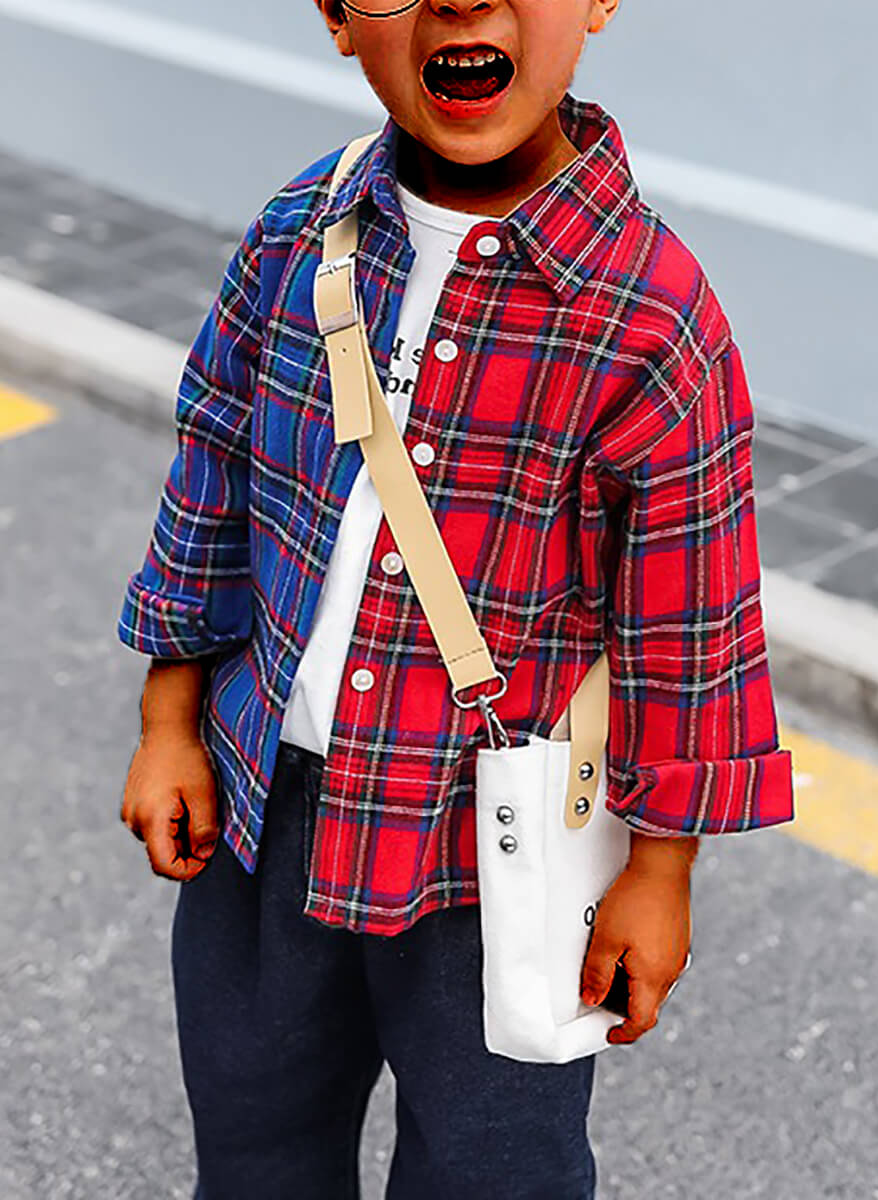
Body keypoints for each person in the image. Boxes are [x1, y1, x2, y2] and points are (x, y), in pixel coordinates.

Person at [117, 1, 795, 1195]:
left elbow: (690, 623)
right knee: (255, 1137)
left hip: (487, 864)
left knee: (495, 1171)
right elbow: (214, 470)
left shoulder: (650, 317)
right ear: (336, 17)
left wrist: (660, 870)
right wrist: (170, 719)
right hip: (265, 812)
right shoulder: (296, 235)